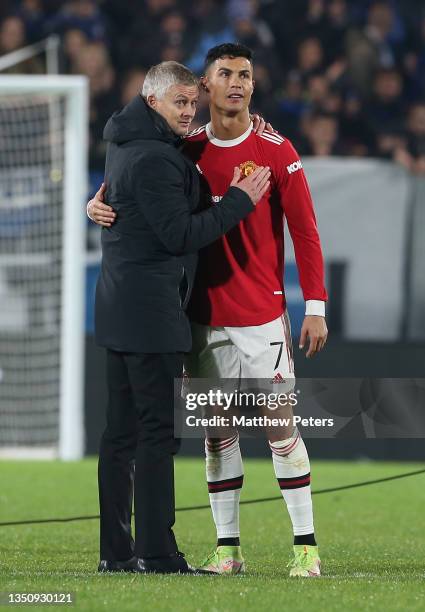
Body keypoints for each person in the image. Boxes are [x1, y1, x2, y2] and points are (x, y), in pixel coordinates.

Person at [89, 43, 328, 578]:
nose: (238, 83)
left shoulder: (276, 149)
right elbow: (129, 191)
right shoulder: (184, 146)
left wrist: (316, 304)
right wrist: (96, 205)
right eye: (226, 74)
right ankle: (227, 549)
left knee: (279, 427)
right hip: (200, 315)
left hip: (262, 314)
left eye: (246, 74)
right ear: (205, 85)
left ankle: (306, 547)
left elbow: (306, 232)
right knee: (216, 433)